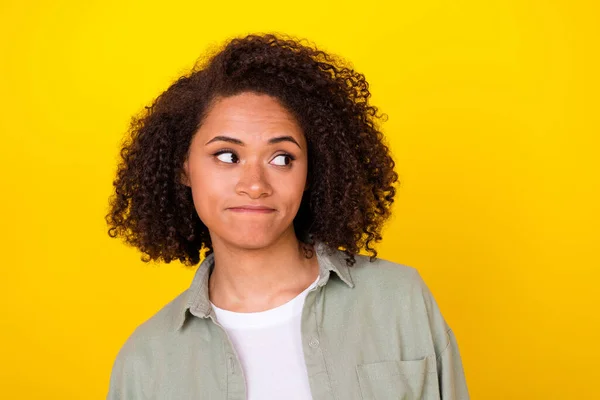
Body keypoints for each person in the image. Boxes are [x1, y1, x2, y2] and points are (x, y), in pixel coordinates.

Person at [105, 32, 470, 400]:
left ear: (312, 171)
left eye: (282, 158)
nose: (254, 185)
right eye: (228, 156)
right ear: (183, 168)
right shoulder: (144, 362)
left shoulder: (399, 300)